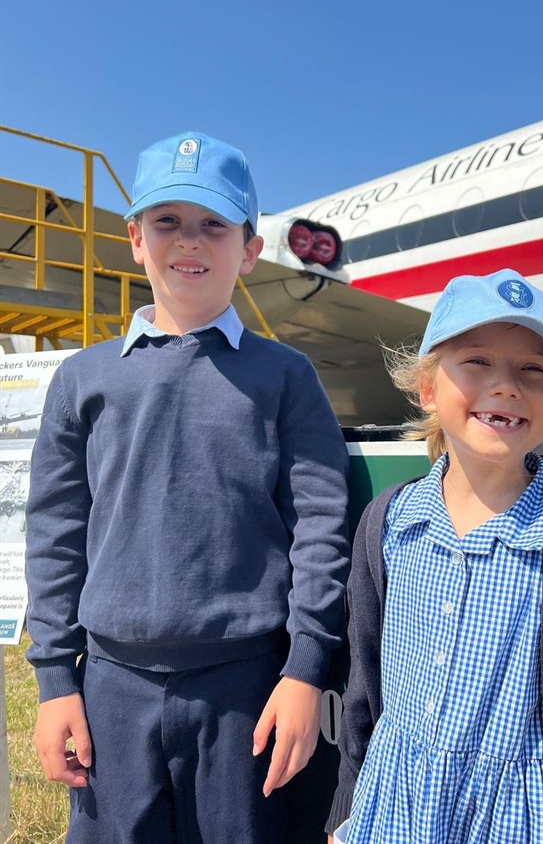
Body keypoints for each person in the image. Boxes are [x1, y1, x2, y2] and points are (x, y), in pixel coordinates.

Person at [25, 131, 350, 843]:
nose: (189, 242)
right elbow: (54, 533)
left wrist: (302, 670)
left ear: (250, 248)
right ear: (136, 239)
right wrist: (56, 681)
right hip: (111, 684)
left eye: (213, 224)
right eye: (168, 222)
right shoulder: (83, 380)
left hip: (244, 687)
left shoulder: (285, 376)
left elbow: (321, 528)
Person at [326, 270, 543, 844]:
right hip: (390, 816)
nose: (505, 386)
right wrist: (344, 815)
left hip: (514, 823)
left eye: (533, 371)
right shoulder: (385, 528)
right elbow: (365, 691)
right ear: (428, 388)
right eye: (476, 361)